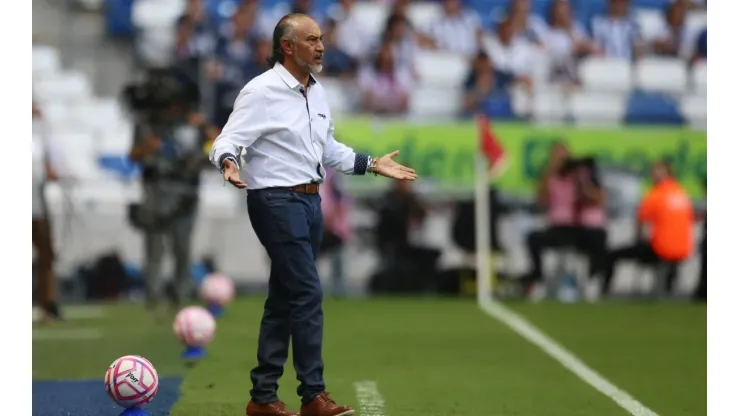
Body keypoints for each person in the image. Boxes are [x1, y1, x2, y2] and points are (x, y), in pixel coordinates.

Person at [209, 13, 417, 416]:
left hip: (310, 202)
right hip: (275, 200)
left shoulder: (317, 92)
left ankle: (263, 397)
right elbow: (226, 139)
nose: (321, 46)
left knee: (285, 296)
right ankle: (313, 396)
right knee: (307, 291)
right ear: (287, 46)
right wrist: (229, 163)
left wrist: (373, 163)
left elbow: (329, 150)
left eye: (321, 39)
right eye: (311, 40)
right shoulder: (262, 90)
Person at [127, 72, 217, 317]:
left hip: (186, 192)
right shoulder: (147, 124)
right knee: (154, 250)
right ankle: (153, 298)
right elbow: (134, 155)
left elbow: (218, 147)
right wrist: (150, 146)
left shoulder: (194, 125)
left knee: (182, 249)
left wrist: (205, 128)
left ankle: (181, 297)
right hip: (155, 191)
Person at [521, 142, 607, 297]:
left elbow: (598, 199)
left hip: (581, 227)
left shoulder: (584, 175)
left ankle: (592, 278)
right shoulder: (551, 178)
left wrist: (581, 180)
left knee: (599, 237)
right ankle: (538, 276)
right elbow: (541, 199)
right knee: (533, 238)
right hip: (559, 228)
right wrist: (550, 171)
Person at [602, 161, 694, 296]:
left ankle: (605, 291)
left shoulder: (655, 195)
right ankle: (668, 289)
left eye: (656, 172)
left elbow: (641, 222)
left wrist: (639, 238)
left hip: (660, 249)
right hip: (683, 250)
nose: (653, 175)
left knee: (612, 255)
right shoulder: (682, 193)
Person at [32, 104, 63, 321]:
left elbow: (47, 166)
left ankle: (47, 304)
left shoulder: (38, 134)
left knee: (46, 256)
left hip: (37, 206)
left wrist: (51, 173)